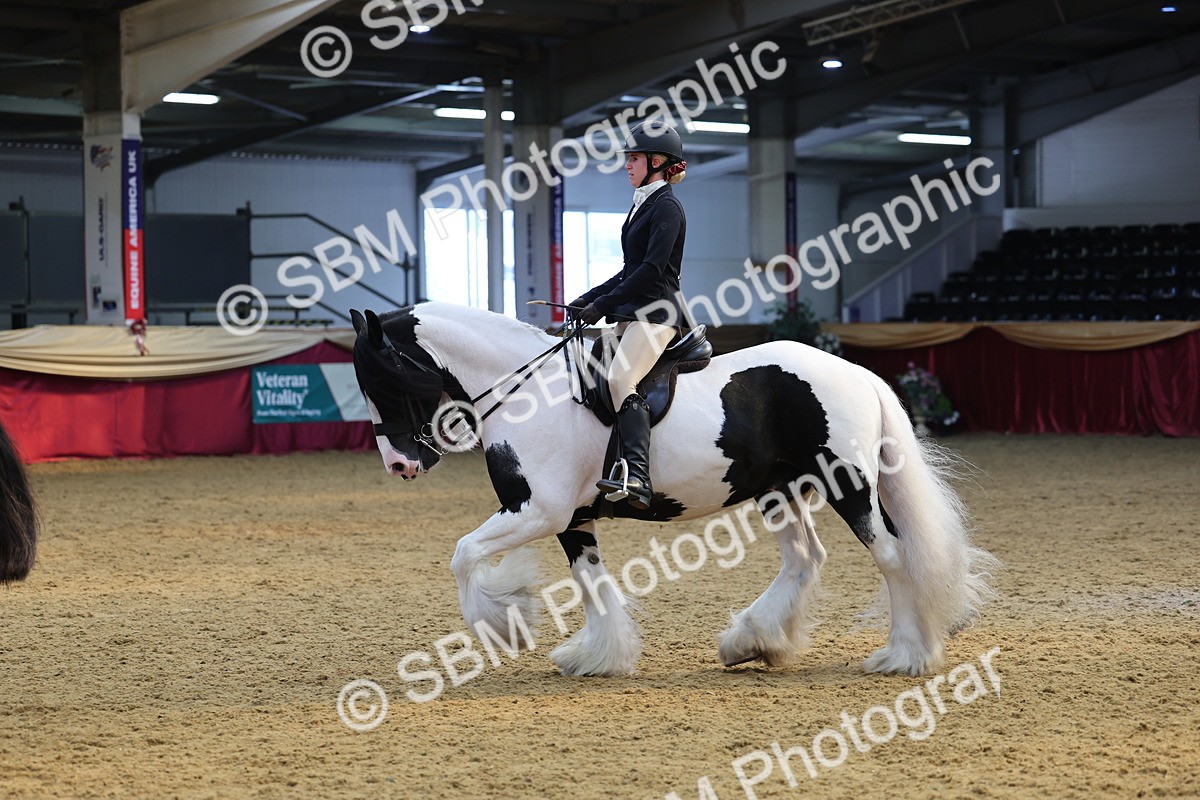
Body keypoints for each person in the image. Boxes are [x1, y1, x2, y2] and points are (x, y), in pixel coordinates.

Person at [569, 120, 688, 510]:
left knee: (621, 377)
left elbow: (651, 271)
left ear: (656, 162)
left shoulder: (667, 206)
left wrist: (603, 306)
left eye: (634, 158)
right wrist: (587, 299)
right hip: (637, 312)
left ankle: (637, 475)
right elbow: (628, 269)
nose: (627, 165)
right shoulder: (644, 203)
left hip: (658, 314)